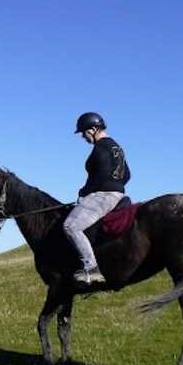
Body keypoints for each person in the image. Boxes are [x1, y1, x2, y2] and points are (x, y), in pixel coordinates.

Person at [63, 112, 131, 285]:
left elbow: (100, 175)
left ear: (93, 129)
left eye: (84, 133)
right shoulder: (117, 148)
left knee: (71, 226)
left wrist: (84, 192)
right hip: (119, 194)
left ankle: (91, 268)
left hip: (104, 195)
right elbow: (127, 175)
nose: (83, 137)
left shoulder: (100, 148)